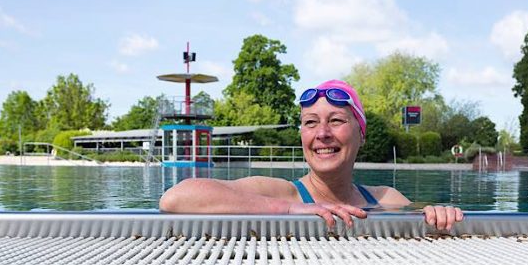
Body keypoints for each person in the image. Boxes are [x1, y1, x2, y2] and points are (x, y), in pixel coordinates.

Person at [159, 80, 463, 231]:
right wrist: (288, 210)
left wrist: (439, 214)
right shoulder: (282, 193)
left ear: (361, 134)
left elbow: (425, 216)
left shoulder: (386, 199)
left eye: (336, 120)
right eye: (310, 123)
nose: (322, 134)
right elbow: (176, 198)